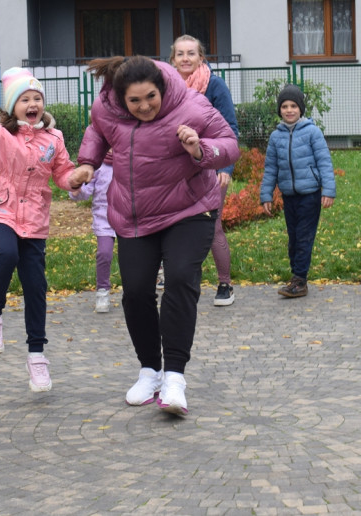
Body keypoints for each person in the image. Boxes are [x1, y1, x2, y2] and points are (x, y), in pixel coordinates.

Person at [69, 56, 239, 416]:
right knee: (135, 291)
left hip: (189, 210)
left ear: (161, 89)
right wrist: (87, 163)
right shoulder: (106, 108)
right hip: (134, 215)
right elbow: (98, 132)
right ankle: (150, 371)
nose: (144, 106)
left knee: (179, 279)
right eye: (135, 101)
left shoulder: (191, 105)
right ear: (120, 99)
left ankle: (175, 377)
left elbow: (228, 142)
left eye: (150, 97)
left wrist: (200, 149)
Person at [0, 67, 74, 390]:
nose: (32, 103)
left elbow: (62, 173)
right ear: (12, 106)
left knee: (36, 287)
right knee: (5, 254)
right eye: (25, 99)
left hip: (34, 219)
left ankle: (37, 357)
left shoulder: (54, 138)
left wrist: (75, 180)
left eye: (37, 98)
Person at [169, 35, 240, 306]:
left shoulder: (214, 85)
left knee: (213, 227)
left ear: (201, 57)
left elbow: (230, 130)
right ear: (172, 59)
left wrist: (226, 166)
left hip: (210, 165)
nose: (185, 58)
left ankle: (225, 284)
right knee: (172, 225)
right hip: (175, 169)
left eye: (191, 53)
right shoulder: (165, 86)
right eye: (180, 54)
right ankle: (179, 280)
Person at [259, 84, 336, 299]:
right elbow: (270, 167)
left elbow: (324, 161)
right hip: (288, 196)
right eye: (284, 106)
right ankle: (297, 276)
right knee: (293, 238)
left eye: (293, 105)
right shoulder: (276, 137)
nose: (289, 110)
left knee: (304, 237)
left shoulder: (312, 132)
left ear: (301, 108)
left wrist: (328, 190)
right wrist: (266, 194)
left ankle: (299, 279)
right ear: (279, 110)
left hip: (310, 194)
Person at [69, 151, 117, 313]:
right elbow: (83, 192)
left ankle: (134, 294)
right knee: (104, 254)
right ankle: (102, 292)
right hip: (105, 218)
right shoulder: (97, 167)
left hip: (129, 219)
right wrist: (77, 187)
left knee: (132, 259)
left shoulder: (131, 162)